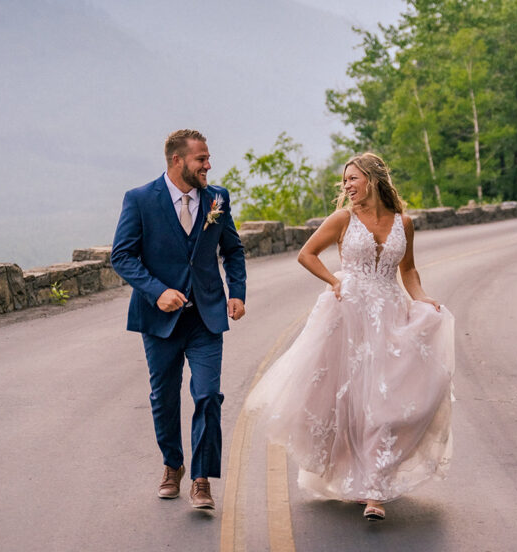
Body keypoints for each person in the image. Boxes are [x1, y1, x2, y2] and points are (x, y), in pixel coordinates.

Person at [247, 152, 454, 521]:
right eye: (344, 182)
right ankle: (360, 481)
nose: (346, 187)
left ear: (372, 179)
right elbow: (307, 254)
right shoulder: (343, 218)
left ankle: (375, 487)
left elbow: (408, 271)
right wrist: (334, 282)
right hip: (347, 314)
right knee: (352, 403)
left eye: (352, 180)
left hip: (389, 314)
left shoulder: (403, 223)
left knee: (385, 401)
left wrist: (423, 301)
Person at [111, 129, 246, 511]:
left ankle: (201, 479)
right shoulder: (139, 200)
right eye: (201, 159)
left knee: (207, 395)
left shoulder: (217, 198)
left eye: (208, 158)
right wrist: (157, 291)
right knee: (164, 398)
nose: (208, 165)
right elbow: (122, 257)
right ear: (177, 161)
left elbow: (232, 250)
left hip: (206, 316)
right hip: (160, 320)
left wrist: (237, 292)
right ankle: (173, 464)